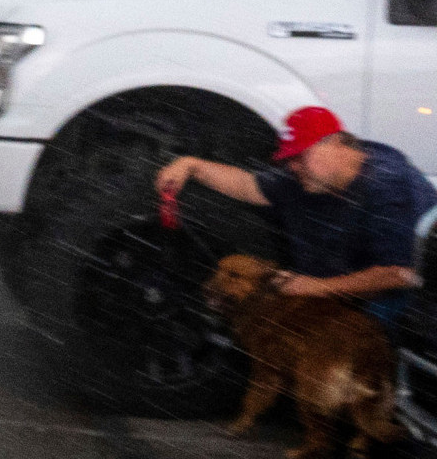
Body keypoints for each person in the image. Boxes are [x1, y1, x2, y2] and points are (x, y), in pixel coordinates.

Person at [155, 106, 437, 333]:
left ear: (335, 143)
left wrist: (318, 287)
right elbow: (247, 186)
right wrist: (191, 165)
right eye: (289, 159)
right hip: (335, 288)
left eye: (300, 156)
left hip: (405, 301)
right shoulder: (309, 177)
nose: (292, 166)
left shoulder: (388, 185)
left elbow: (401, 273)